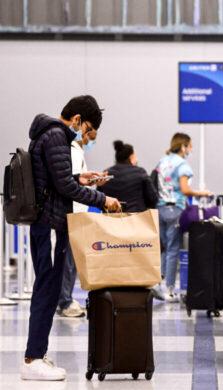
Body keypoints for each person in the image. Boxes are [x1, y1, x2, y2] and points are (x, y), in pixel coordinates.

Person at [23, 95, 120, 381]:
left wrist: (81, 177)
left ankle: (36, 353)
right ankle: (33, 359)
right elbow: (63, 186)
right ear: (77, 119)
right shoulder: (56, 136)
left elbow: (57, 179)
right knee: (47, 290)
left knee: (48, 288)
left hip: (48, 222)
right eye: (87, 127)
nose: (85, 135)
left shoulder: (50, 134)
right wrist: (103, 199)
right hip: (51, 224)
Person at [155, 133, 211, 302]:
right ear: (183, 146)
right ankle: (170, 290)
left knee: (164, 248)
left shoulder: (162, 161)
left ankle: (160, 285)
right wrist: (203, 192)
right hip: (175, 209)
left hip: (160, 207)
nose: (191, 149)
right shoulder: (182, 165)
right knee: (173, 249)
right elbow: (185, 190)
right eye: (190, 146)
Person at [56, 121, 98, 318]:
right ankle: (64, 301)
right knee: (68, 261)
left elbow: (77, 178)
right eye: (90, 138)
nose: (91, 142)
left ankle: (65, 298)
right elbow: (70, 183)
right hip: (73, 211)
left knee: (71, 260)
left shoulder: (78, 151)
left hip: (78, 210)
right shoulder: (72, 150)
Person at [99, 140, 158, 212]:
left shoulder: (106, 173)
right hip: (135, 218)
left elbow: (99, 199)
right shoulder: (140, 172)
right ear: (131, 157)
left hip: (111, 219)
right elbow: (153, 198)